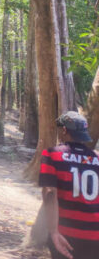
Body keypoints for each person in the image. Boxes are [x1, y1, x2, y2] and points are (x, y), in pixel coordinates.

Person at [39, 111, 99, 259]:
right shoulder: (97, 158)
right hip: (95, 236)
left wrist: (53, 231)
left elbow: (50, 194)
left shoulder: (52, 155)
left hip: (65, 235)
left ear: (65, 130)